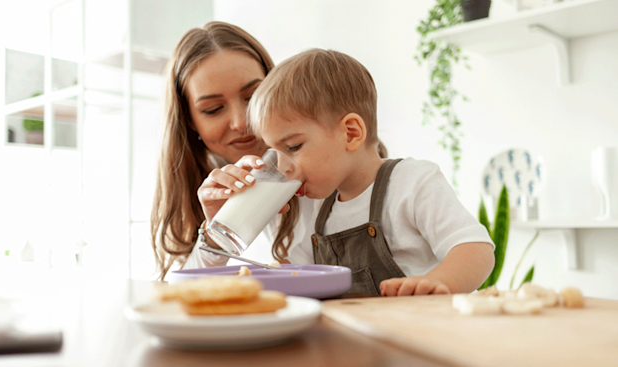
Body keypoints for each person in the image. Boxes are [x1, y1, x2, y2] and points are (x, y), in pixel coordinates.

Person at [247, 48, 496, 296]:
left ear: (351, 133)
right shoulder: (315, 210)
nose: (282, 166)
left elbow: (476, 250)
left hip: (429, 327)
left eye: (293, 147)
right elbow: (299, 280)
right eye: (275, 151)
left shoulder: (413, 182)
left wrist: (438, 283)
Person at [150, 21, 307, 279]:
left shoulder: (322, 166)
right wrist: (214, 236)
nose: (241, 122)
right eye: (213, 109)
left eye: (253, 96)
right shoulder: (202, 187)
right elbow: (187, 291)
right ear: (190, 120)